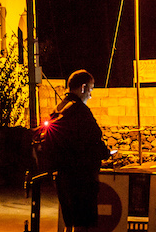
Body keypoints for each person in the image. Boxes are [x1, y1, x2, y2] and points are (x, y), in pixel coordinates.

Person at [47, 70, 112, 232]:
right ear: (83, 88)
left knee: (68, 221)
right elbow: (94, 138)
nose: (90, 95)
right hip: (81, 177)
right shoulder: (80, 111)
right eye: (90, 90)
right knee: (82, 223)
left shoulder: (60, 108)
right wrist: (106, 153)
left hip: (62, 176)